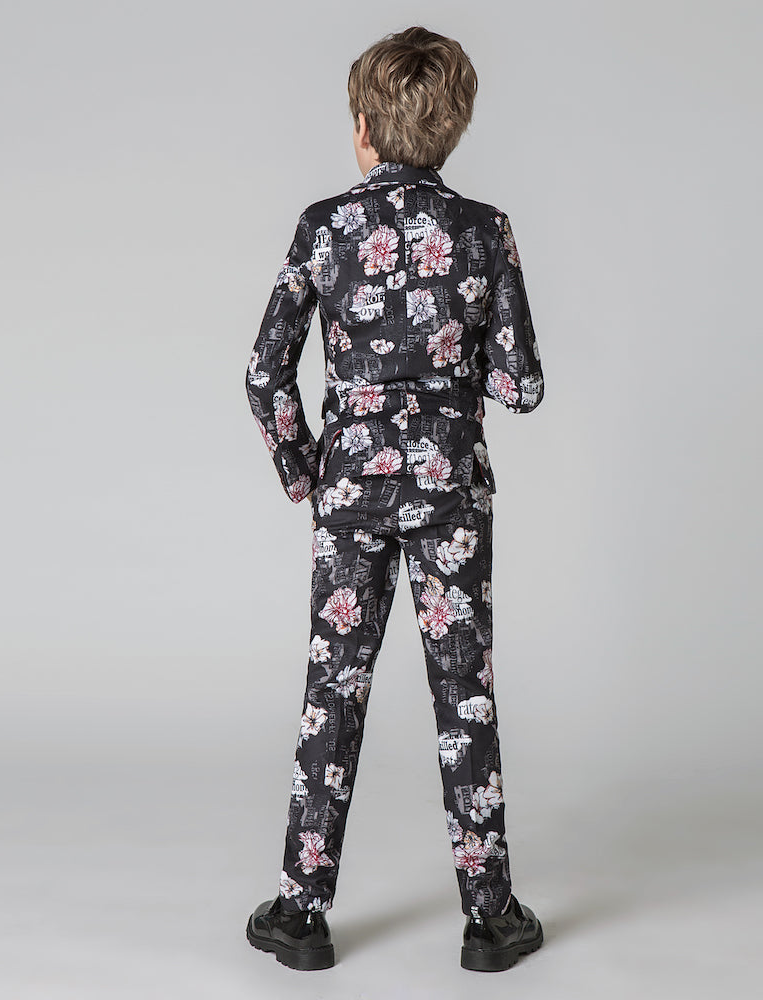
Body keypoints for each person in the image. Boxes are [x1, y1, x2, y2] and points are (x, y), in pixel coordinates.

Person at [243, 26, 545, 972]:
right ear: (453, 127)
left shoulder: (324, 226)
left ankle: (300, 914)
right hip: (451, 492)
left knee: (331, 693)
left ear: (364, 128)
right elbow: (522, 386)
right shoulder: (484, 229)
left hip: (351, 490)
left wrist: (308, 471)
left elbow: (264, 373)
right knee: (465, 695)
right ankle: (490, 919)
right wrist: (449, 373)